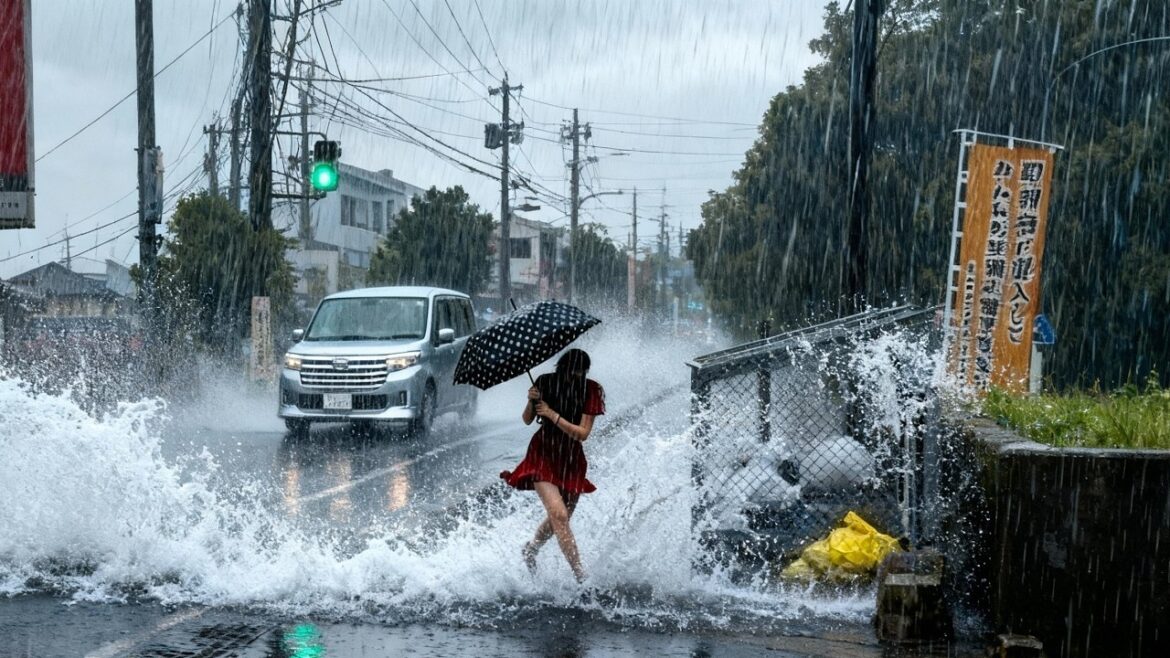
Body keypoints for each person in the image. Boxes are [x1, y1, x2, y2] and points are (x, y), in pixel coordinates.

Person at [500, 348, 605, 582]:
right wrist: (531, 400)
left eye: (580, 374)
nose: (574, 378)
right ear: (561, 369)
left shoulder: (591, 390)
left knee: (562, 516)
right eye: (570, 373)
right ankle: (581, 576)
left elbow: (583, 433)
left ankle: (531, 548)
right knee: (558, 514)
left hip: (571, 457)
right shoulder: (545, 382)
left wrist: (552, 414)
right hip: (543, 454)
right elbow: (527, 419)